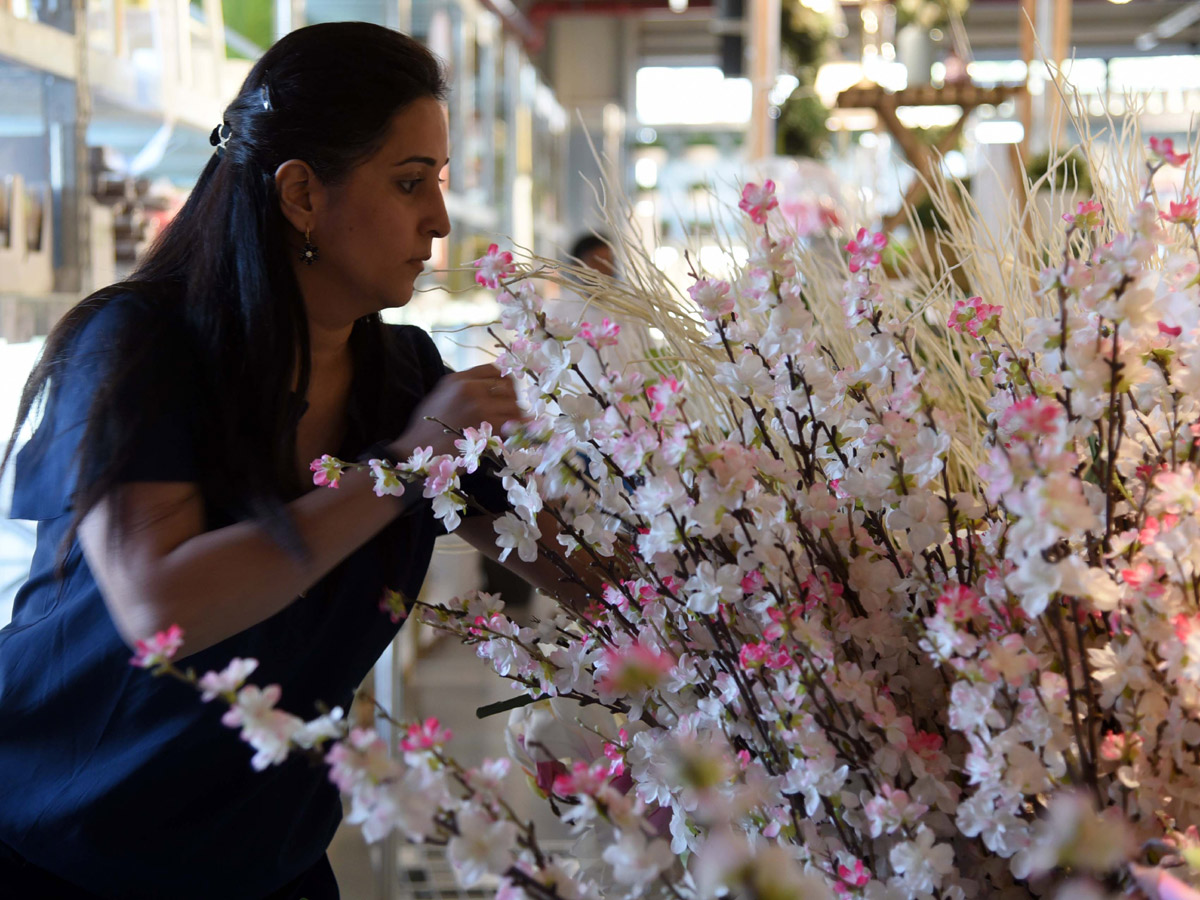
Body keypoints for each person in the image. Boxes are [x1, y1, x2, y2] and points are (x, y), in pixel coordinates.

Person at [0, 22, 579, 900]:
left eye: (441, 182)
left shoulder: (402, 377)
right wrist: (408, 462)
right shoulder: (140, 346)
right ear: (302, 194)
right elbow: (166, 606)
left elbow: (576, 565)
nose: (440, 219)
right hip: (64, 841)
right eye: (410, 181)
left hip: (260, 853)